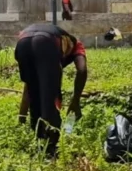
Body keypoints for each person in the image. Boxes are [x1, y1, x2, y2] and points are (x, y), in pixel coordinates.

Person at [14, 23, 87, 156]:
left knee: (33, 90)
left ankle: (38, 141)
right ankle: (51, 148)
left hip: (22, 41)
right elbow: (82, 70)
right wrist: (75, 101)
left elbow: (27, 90)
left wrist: (21, 120)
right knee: (50, 99)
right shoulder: (76, 45)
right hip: (46, 41)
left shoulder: (61, 42)